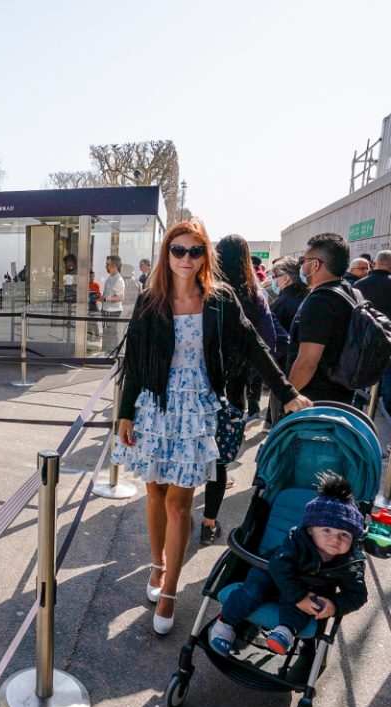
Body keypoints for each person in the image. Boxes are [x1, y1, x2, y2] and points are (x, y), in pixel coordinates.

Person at [112, 218, 311, 635]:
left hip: (196, 409)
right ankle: (157, 563)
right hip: (154, 407)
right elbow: (134, 362)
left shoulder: (219, 300)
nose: (186, 258)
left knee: (180, 502)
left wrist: (287, 391)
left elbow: (254, 345)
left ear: (206, 256)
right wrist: (125, 412)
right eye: (178, 250)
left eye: (195, 250)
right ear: (167, 254)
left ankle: (169, 589)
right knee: (154, 492)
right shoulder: (151, 301)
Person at [208, 472, 367, 655]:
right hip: (270, 574)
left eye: (345, 535)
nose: (335, 539)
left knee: (310, 604)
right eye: (326, 530)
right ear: (310, 530)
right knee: (251, 592)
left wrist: (335, 605)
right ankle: (224, 625)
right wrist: (299, 597)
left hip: (309, 587)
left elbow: (357, 595)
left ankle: (285, 632)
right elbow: (279, 567)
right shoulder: (297, 541)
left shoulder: (349, 562)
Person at [199, 234, 283, 546]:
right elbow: (267, 342)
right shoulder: (254, 294)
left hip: (199, 383)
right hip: (232, 386)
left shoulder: (204, 289)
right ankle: (208, 523)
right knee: (220, 457)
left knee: (194, 446)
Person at [286, 232, 358, 405]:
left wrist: (288, 397)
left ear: (316, 264)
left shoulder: (320, 301)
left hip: (313, 401)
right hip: (340, 397)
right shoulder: (349, 291)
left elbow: (307, 362)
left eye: (303, 261)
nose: (301, 267)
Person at [356, 250, 391, 415]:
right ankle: (389, 410)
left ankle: (357, 404)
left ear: (374, 264)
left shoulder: (359, 284)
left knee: (360, 368)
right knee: (388, 375)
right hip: (389, 337)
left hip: (363, 336)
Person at [269, 257, 307, 333]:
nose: (272, 280)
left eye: (274, 277)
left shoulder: (282, 303)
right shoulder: (307, 296)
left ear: (286, 279)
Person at [100, 256, 126, 353]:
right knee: (107, 332)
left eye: (107, 264)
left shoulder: (118, 280)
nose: (106, 266)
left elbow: (120, 297)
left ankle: (113, 354)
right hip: (107, 310)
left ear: (114, 266)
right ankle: (107, 352)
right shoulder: (111, 277)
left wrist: (105, 299)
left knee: (112, 334)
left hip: (113, 311)